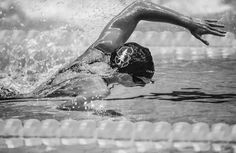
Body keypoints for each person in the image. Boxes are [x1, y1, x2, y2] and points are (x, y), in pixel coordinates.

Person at [0, 0, 226, 111]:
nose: (144, 85)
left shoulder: (101, 50)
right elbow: (61, 109)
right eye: (142, 81)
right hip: (17, 103)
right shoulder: (98, 87)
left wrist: (188, 22)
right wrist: (106, 116)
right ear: (126, 77)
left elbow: (138, 8)